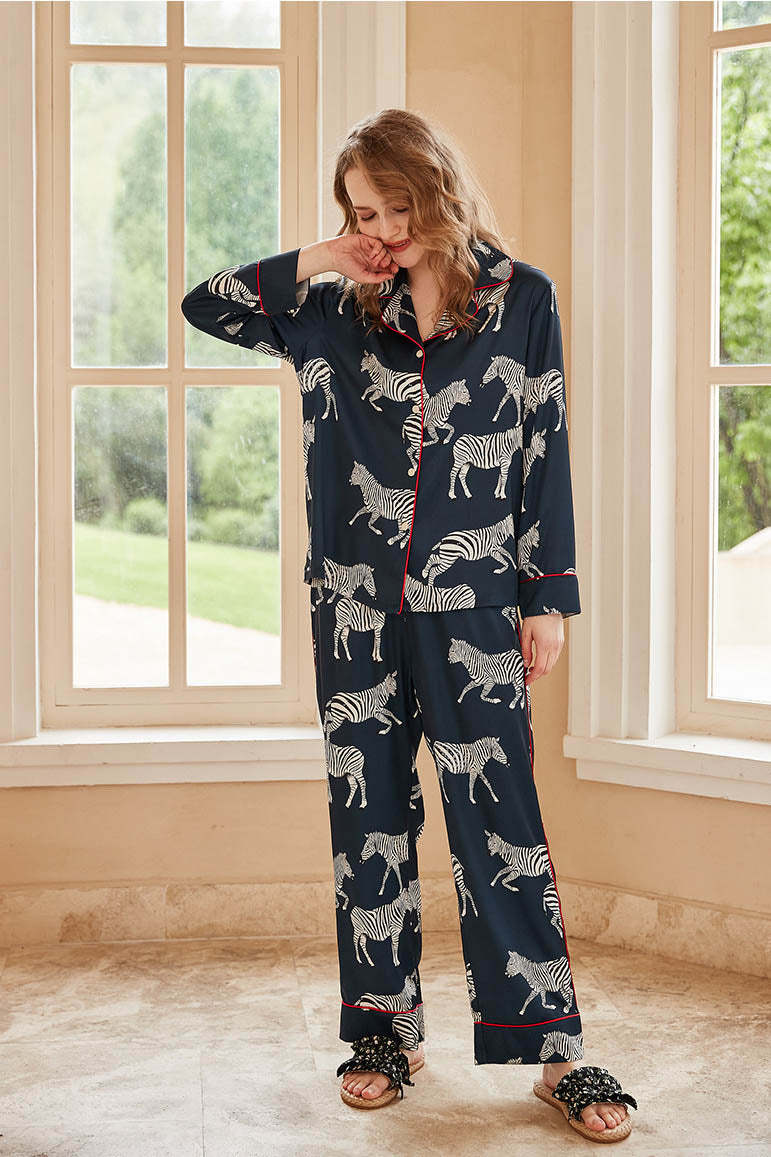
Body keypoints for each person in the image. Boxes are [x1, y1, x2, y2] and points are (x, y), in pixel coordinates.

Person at [181, 107, 638, 1143]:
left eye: (395, 208)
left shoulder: (522, 300)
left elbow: (544, 448)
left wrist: (547, 596)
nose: (381, 230)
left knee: (500, 821)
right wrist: (321, 254)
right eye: (361, 212)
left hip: (474, 603)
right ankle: (384, 1033)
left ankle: (554, 1049)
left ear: (437, 193)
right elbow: (205, 304)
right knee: (370, 822)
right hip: (353, 606)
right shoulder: (328, 308)